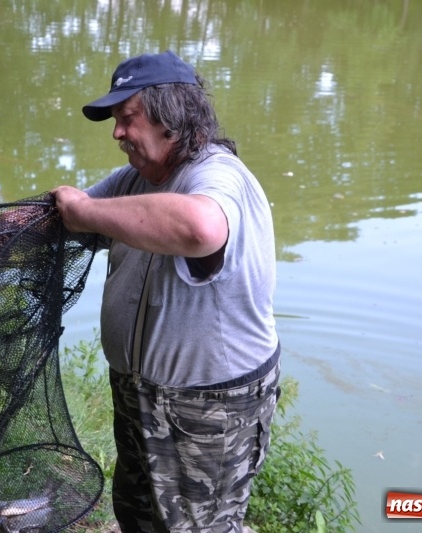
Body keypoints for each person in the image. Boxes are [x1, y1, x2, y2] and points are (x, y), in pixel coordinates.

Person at [51, 50, 280, 533]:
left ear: (171, 118)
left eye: (127, 118)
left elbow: (199, 227)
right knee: (139, 515)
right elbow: (76, 212)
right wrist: (25, 221)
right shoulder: (138, 179)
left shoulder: (218, 176)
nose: (116, 133)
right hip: (140, 396)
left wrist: (85, 213)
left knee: (200, 527)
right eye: (115, 120)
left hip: (207, 408)